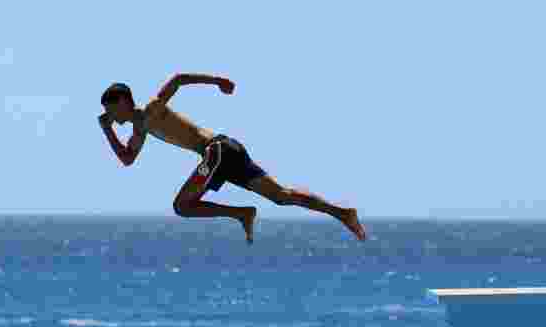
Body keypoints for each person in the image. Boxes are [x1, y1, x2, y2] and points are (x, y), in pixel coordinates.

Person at [98, 78, 366, 244]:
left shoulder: (151, 110)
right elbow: (128, 159)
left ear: (123, 102)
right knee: (281, 196)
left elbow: (177, 80)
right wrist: (107, 129)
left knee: (182, 205)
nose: (109, 114)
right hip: (228, 150)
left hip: (217, 151)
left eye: (110, 109)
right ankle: (343, 213)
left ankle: (241, 213)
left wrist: (218, 82)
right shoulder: (140, 130)